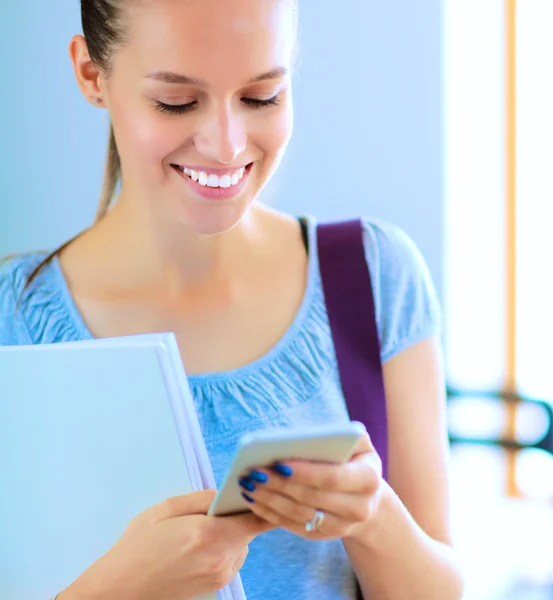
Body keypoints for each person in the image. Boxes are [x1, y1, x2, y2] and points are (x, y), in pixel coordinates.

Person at [0, 0, 464, 598]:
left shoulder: (376, 278)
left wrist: (372, 518)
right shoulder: (13, 320)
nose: (226, 145)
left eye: (262, 96)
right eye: (176, 102)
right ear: (92, 75)